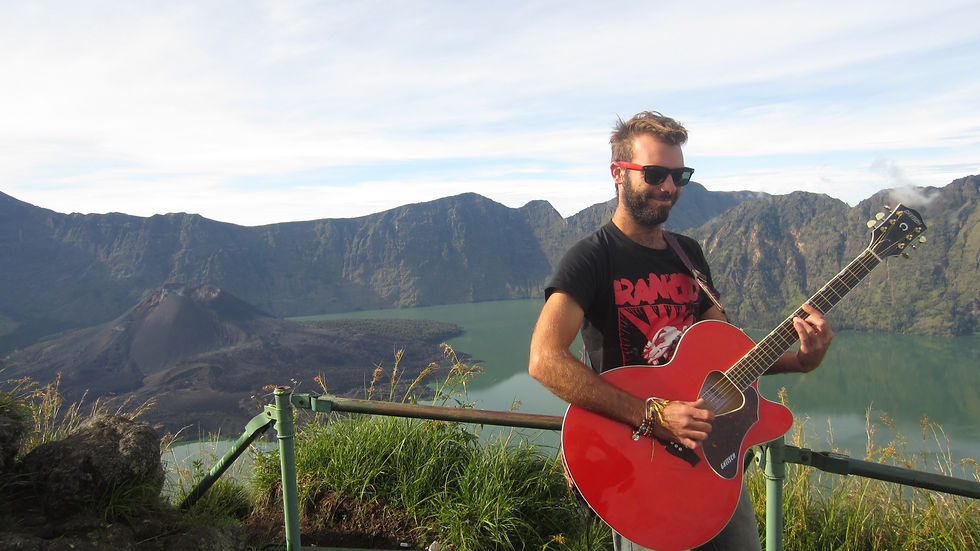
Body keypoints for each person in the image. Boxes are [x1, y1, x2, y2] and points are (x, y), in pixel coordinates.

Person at [527, 111, 834, 551]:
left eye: (679, 175)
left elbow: (729, 359)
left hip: (713, 459)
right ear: (618, 173)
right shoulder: (591, 259)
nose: (670, 187)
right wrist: (654, 414)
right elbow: (544, 360)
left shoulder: (687, 254)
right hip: (642, 469)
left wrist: (800, 361)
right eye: (655, 174)